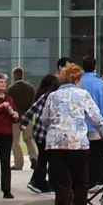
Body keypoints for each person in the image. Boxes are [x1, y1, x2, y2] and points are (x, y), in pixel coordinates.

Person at [25, 63, 103, 205]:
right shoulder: (83, 95)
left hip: (56, 143)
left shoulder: (53, 96)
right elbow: (95, 115)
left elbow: (45, 119)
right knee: (81, 183)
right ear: (78, 79)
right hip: (77, 143)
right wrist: (102, 130)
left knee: (62, 185)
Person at [25, 60, 68, 194]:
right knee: (47, 159)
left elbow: (31, 110)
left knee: (44, 158)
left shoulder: (41, 95)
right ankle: (39, 182)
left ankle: (39, 181)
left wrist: (24, 123)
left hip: (38, 132)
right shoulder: (50, 96)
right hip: (45, 133)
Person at [79, 55, 103, 196]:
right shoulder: (100, 84)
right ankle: (97, 180)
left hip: (81, 124)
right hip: (96, 126)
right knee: (98, 155)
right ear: (95, 67)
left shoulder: (79, 82)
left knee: (83, 156)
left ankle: (84, 179)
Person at [7, 67, 37, 171]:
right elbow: (33, 103)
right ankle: (34, 158)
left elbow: (10, 104)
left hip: (16, 119)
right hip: (28, 118)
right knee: (29, 139)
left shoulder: (11, 89)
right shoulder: (30, 88)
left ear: (14, 75)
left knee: (15, 141)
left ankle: (18, 164)